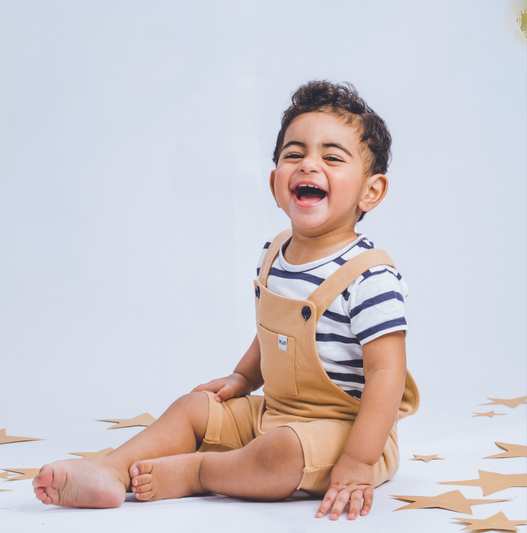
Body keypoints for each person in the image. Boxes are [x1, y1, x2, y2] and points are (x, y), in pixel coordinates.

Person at [33, 80, 419, 521]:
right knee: (194, 408)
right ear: (276, 183)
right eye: (295, 154)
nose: (310, 164)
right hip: (274, 413)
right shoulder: (274, 255)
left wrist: (357, 461)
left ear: (371, 191)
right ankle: (111, 469)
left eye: (332, 157)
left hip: (346, 431)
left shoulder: (370, 276)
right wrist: (241, 378)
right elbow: (276, 335)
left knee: (280, 453)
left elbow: (387, 375)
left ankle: (198, 472)